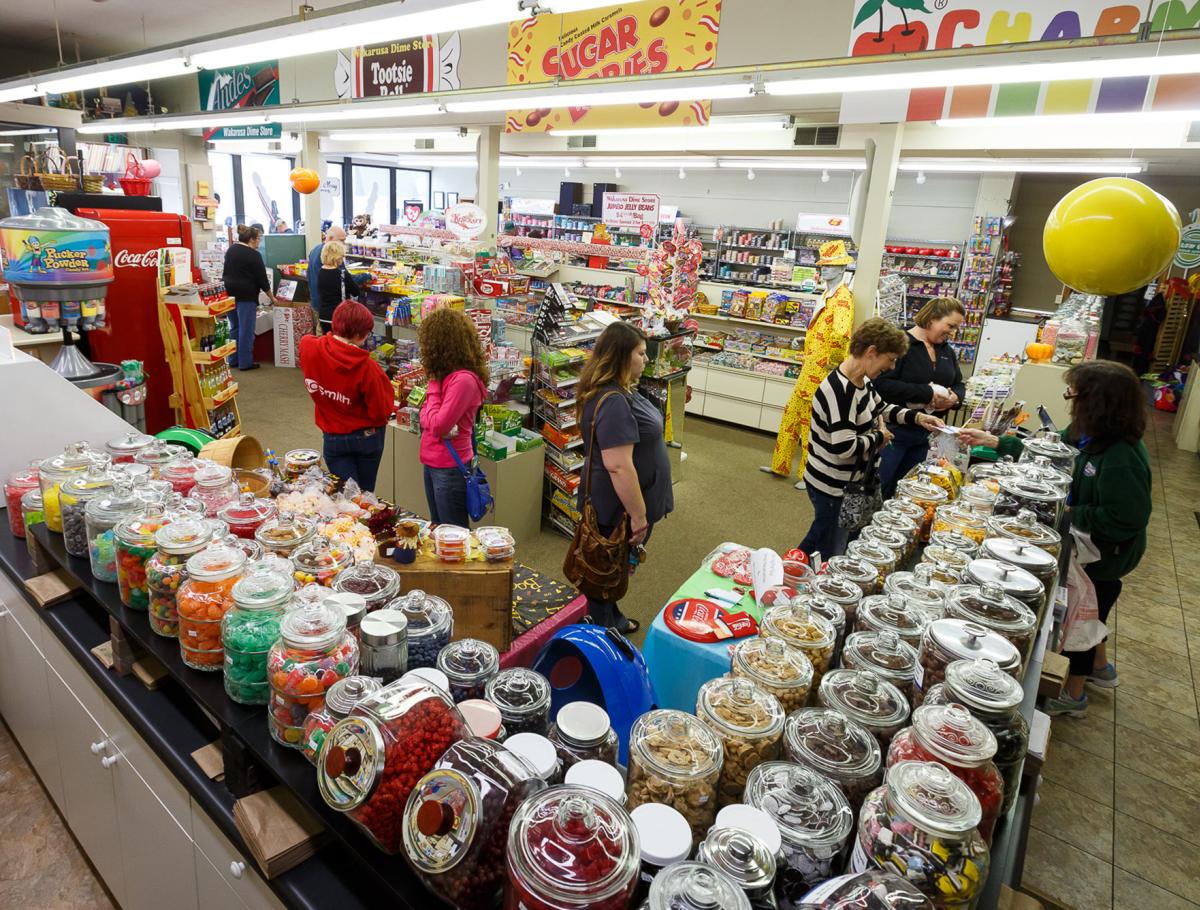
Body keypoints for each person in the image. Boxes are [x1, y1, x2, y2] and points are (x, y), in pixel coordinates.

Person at [961, 360, 1151, 718]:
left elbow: (1125, 519)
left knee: (1084, 616)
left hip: (1105, 557)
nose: (1069, 400)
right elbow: (1048, 452)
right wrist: (997, 442)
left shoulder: (1122, 457)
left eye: (1074, 393)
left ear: (1098, 401)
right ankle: (1101, 668)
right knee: (1091, 613)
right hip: (1085, 544)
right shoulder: (1090, 432)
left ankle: (1075, 694)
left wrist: (1063, 510)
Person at [801, 318, 943, 560]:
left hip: (847, 484)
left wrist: (916, 418)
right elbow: (844, 447)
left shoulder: (862, 381)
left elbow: (880, 407)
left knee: (824, 536)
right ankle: (792, 578)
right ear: (871, 352)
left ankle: (788, 570)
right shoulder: (839, 390)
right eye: (891, 359)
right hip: (833, 486)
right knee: (828, 548)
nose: (890, 367)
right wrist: (880, 436)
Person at [575, 322, 674, 633]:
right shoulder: (614, 400)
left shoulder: (621, 390)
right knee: (604, 570)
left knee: (614, 568)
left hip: (626, 501)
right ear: (621, 356)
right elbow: (618, 466)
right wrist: (639, 516)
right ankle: (601, 637)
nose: (646, 359)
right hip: (619, 506)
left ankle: (612, 618)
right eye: (641, 353)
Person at [763, 240, 856, 488]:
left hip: (821, 370)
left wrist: (833, 365)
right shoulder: (828, 293)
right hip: (811, 366)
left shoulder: (843, 298)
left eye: (830, 265)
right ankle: (779, 464)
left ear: (841, 268)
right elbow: (827, 332)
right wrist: (806, 340)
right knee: (791, 414)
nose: (824, 269)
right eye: (823, 265)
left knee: (810, 422)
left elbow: (841, 335)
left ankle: (807, 474)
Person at [874, 297, 967, 498]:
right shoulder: (902, 344)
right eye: (950, 325)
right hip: (893, 433)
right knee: (879, 490)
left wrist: (955, 398)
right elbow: (881, 385)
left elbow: (959, 383)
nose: (953, 332)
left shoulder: (946, 351)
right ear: (932, 318)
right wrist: (928, 393)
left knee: (906, 493)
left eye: (956, 328)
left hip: (925, 438)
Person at [298, 301, 395, 491]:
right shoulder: (369, 368)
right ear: (360, 335)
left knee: (345, 494)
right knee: (365, 496)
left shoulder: (308, 347)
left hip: (332, 436)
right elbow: (380, 413)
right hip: (366, 437)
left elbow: (311, 343)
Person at [418, 307, 489, 528]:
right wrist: (432, 416)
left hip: (450, 466)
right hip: (432, 462)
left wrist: (432, 387)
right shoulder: (446, 376)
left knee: (454, 534)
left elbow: (438, 425)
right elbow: (425, 416)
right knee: (439, 529)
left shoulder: (462, 381)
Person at [222, 224, 272, 372]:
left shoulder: (231, 250)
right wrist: (272, 297)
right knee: (246, 329)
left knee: (235, 327)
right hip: (246, 295)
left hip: (229, 293)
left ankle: (232, 359)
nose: (259, 242)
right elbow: (262, 280)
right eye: (258, 239)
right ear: (251, 240)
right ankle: (245, 362)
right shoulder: (254, 255)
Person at [315, 240, 362, 335]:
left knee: (328, 344)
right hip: (339, 316)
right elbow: (356, 291)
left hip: (323, 316)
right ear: (338, 257)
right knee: (340, 344)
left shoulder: (320, 272)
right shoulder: (342, 274)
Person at [307, 224, 346, 306]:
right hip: (328, 303)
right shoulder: (333, 254)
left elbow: (309, 274)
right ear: (330, 238)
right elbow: (345, 277)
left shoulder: (315, 249)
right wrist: (367, 276)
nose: (343, 243)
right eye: (341, 240)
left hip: (315, 300)